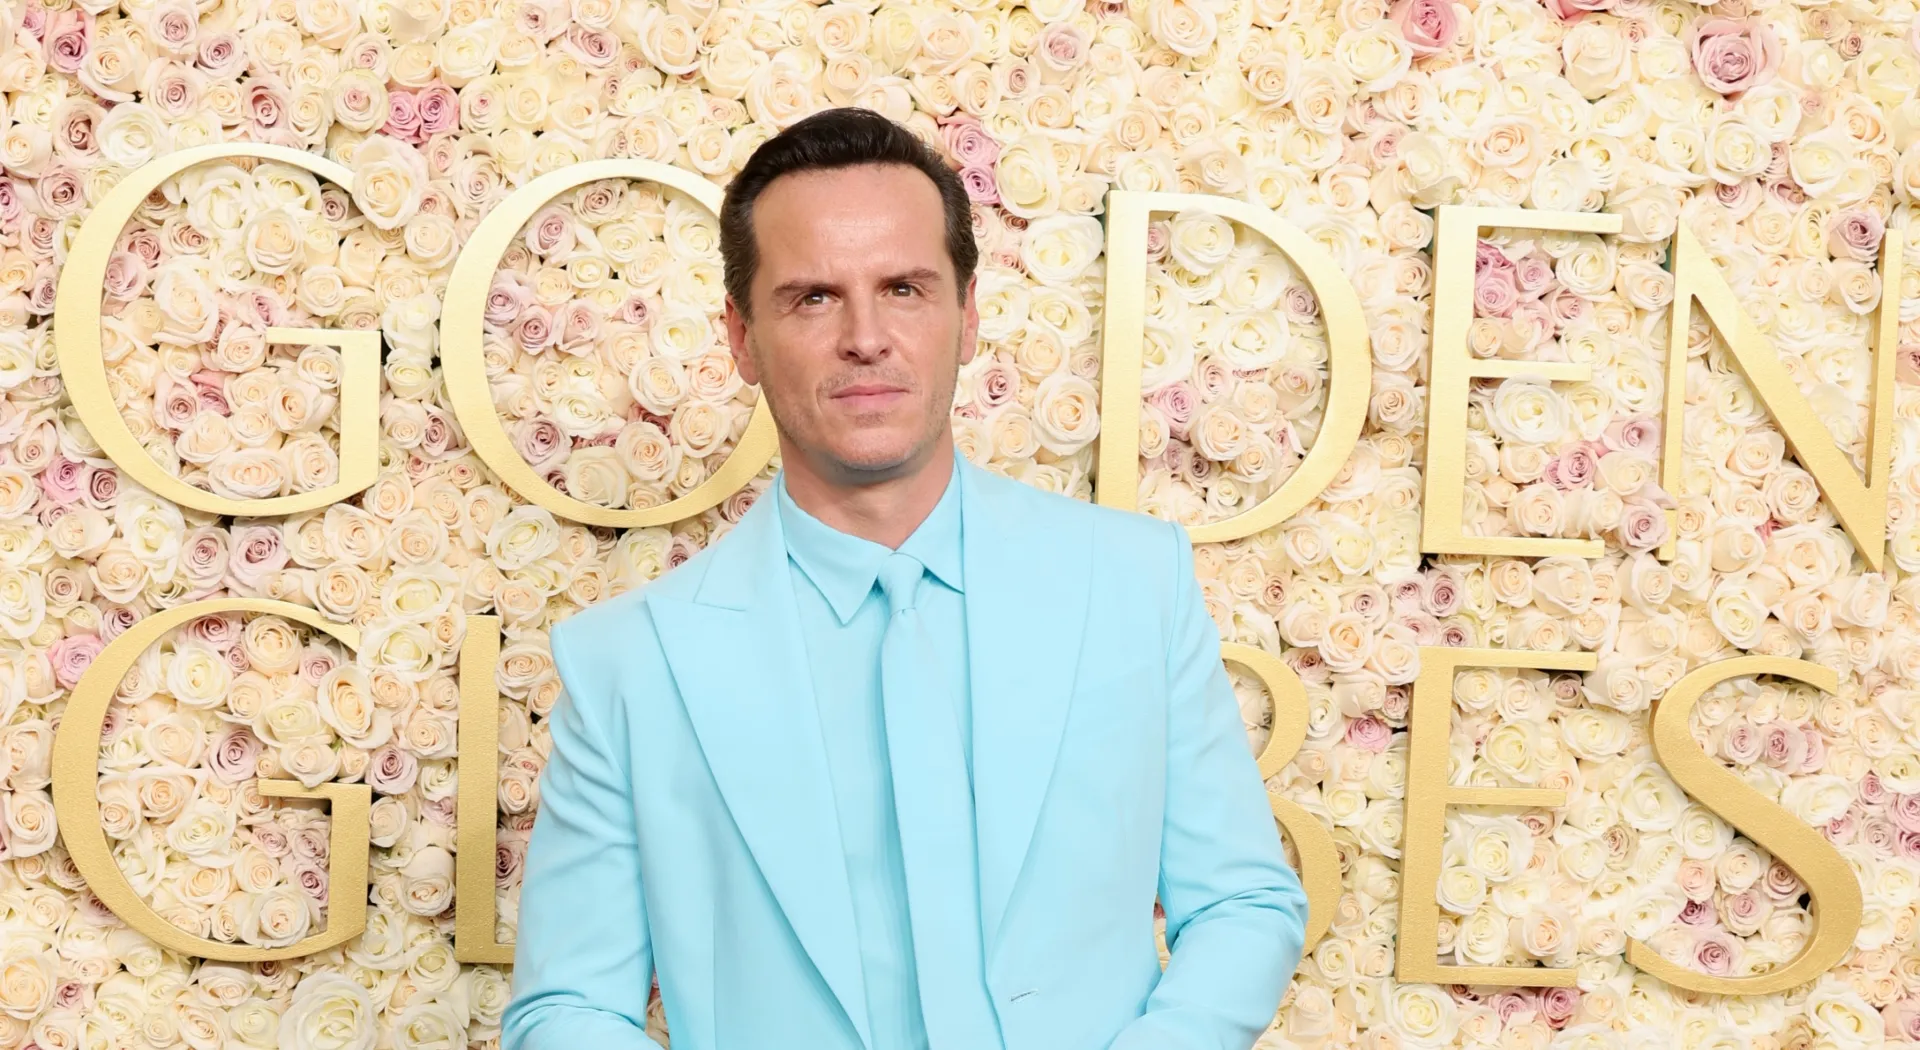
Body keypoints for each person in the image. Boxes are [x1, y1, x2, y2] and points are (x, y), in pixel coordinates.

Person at [502, 107, 1309, 1050]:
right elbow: (568, 1009)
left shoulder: (1132, 584)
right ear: (741, 337)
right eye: (812, 297)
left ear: (966, 318)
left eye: (905, 288)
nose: (865, 337)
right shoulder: (630, 663)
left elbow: (1245, 901)